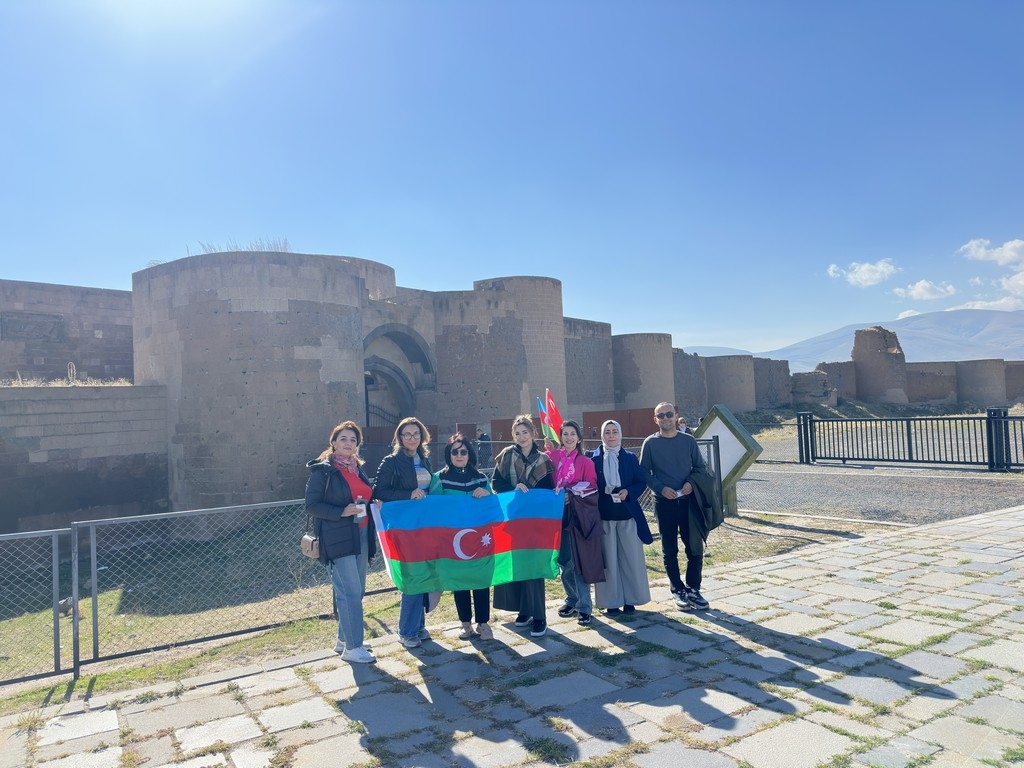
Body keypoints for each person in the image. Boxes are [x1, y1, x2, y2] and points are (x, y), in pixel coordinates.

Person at [304, 420, 376, 664]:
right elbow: (311, 505)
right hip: (337, 538)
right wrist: (341, 511)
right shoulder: (323, 471)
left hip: (361, 535)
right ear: (333, 442)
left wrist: (374, 503)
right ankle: (354, 648)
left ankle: (344, 640)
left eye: (353, 440)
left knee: (357, 590)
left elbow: (365, 496)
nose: (348, 443)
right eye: (343, 438)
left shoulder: (357, 469)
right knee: (350, 592)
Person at [639, 402, 712, 611]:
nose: (665, 418)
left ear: (676, 415)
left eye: (669, 414)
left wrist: (690, 483)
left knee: (694, 548)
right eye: (661, 415)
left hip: (689, 502)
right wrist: (660, 488)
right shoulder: (650, 443)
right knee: (669, 549)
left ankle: (693, 589)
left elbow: (700, 468)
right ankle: (677, 590)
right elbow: (643, 472)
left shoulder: (688, 441)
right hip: (664, 503)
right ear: (655, 420)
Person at [490, 414, 555, 638]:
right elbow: (496, 483)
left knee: (534, 567)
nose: (521, 437)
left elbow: (548, 491)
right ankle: (524, 610)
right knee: (518, 565)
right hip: (513, 520)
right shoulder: (506, 455)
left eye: (525, 432)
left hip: (536, 522)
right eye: (517, 434)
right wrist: (514, 487)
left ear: (533, 434)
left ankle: (539, 617)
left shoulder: (544, 460)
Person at [373, 416, 434, 648]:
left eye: (416, 434)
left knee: (423, 574)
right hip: (404, 527)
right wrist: (408, 495)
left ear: (422, 436)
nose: (412, 438)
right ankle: (407, 631)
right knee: (412, 576)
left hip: (424, 525)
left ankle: (418, 626)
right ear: (399, 437)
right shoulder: (391, 461)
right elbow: (379, 491)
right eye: (407, 434)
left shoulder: (425, 460)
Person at [429, 433, 494, 640]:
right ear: (449, 454)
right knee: (460, 580)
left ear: (469, 454)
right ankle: (465, 623)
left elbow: (494, 507)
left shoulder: (481, 478)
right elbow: (433, 508)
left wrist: (488, 495)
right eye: (454, 451)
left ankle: (483, 623)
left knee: (481, 580)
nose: (459, 455)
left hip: (479, 539)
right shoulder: (440, 479)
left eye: (463, 452)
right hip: (453, 541)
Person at [590, 419, 653, 615]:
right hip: (605, 517)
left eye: (614, 431)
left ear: (620, 434)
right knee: (609, 562)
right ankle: (611, 602)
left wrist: (628, 492)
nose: (611, 435)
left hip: (627, 516)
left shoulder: (630, 458)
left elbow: (640, 482)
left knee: (631, 560)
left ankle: (631, 599)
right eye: (607, 432)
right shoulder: (594, 459)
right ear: (602, 435)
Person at [545, 420, 600, 626]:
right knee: (563, 560)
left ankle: (584, 606)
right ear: (560, 437)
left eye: (572, 434)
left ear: (579, 438)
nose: (568, 438)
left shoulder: (586, 462)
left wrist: (571, 493)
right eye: (565, 434)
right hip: (556, 516)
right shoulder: (552, 458)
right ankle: (572, 598)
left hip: (577, 515)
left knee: (578, 561)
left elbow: (592, 486)